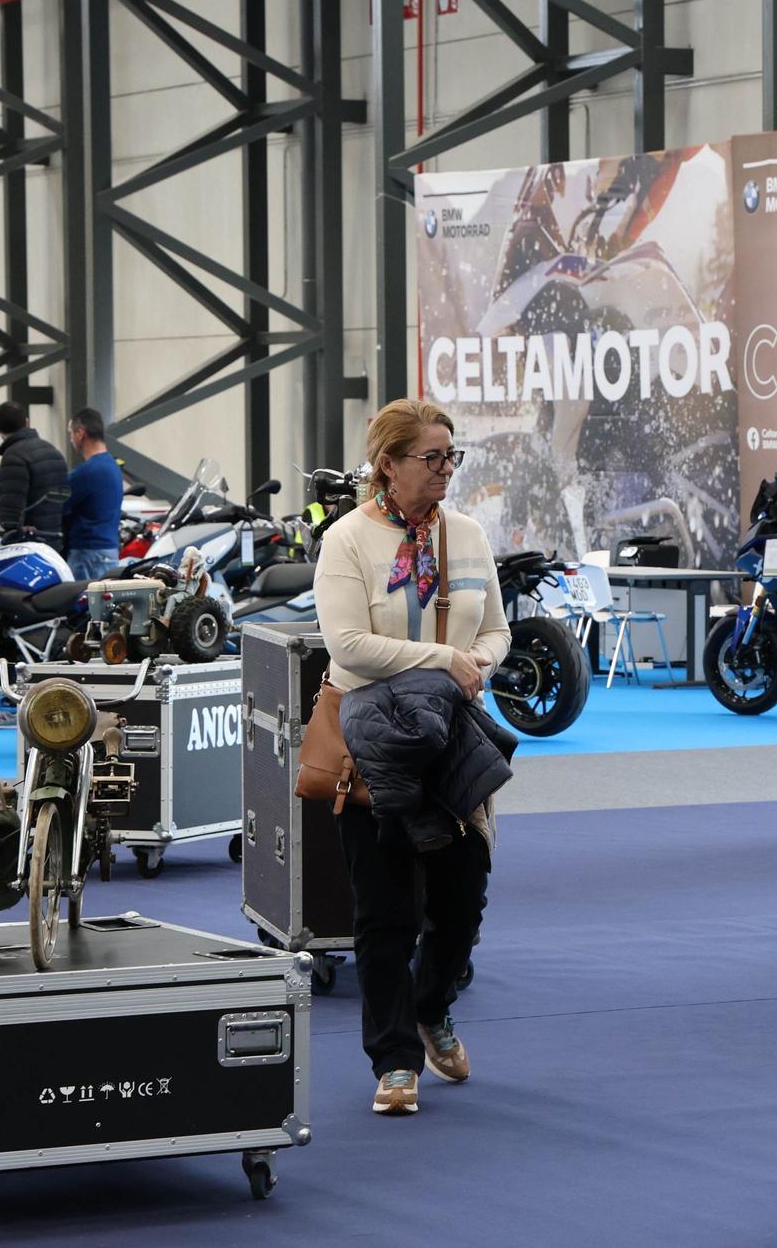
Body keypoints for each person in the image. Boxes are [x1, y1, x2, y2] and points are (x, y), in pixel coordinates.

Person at [312, 398, 510, 1117]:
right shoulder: (346, 540)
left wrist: (476, 662)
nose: (445, 470)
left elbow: (497, 630)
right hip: (371, 745)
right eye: (431, 458)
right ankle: (394, 1060)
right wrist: (443, 658)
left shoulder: (467, 534)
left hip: (453, 737)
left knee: (464, 902)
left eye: (451, 457)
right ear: (386, 465)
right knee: (385, 909)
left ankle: (433, 1007)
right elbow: (348, 646)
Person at [0, 401, 68, 551]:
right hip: (56, 545)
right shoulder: (55, 452)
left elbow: (10, 515)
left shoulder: (13, 457)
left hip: (28, 548)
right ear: (27, 422)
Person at [63, 407, 124, 581]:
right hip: (109, 551)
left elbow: (58, 505)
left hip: (87, 555)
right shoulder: (113, 466)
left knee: (82, 606)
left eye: (71, 434)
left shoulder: (86, 472)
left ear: (81, 433)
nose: (71, 439)